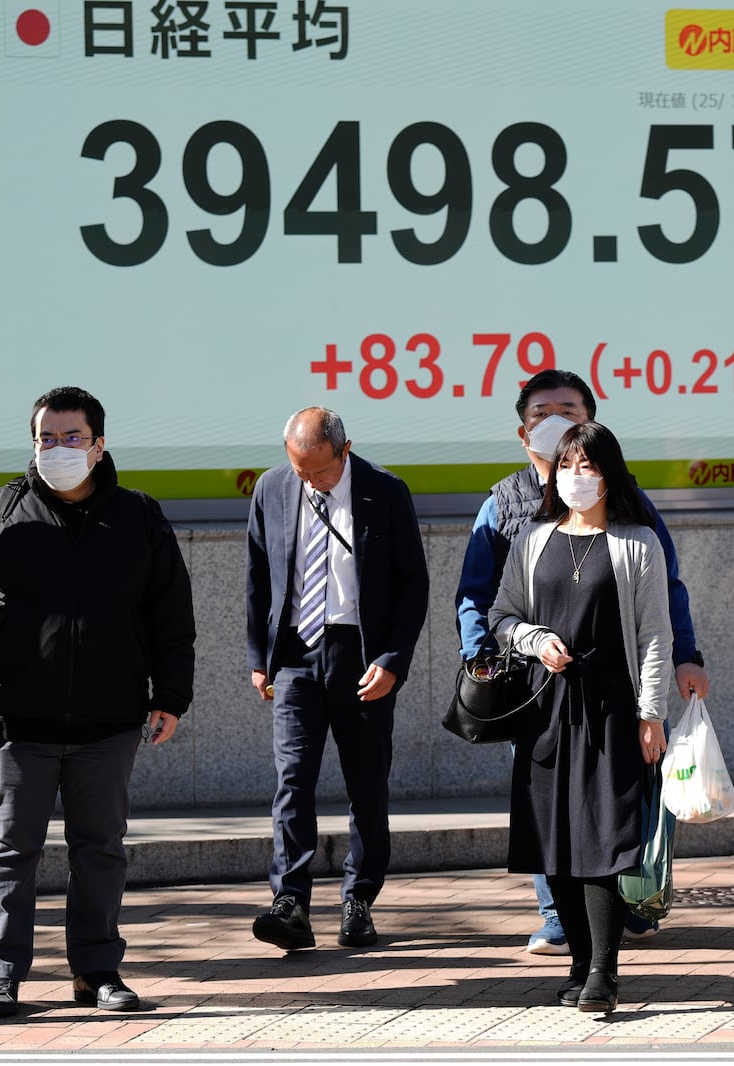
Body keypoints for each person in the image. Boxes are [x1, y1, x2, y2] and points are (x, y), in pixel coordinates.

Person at [0, 386, 195, 1018]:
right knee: (8, 847)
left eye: (71, 437)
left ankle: (98, 972)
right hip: (16, 716)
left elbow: (171, 615)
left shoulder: (138, 516)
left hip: (109, 718)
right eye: (45, 438)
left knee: (100, 848)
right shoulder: (0, 512)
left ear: (99, 445)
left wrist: (171, 696)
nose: (56, 449)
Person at [455, 369, 707, 953]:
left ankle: (632, 895)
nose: (556, 424)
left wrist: (685, 658)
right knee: (549, 803)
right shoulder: (503, 504)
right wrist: (484, 660)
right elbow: (477, 595)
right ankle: (558, 917)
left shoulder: (629, 504)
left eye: (568, 411)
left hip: (619, 686)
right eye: (542, 413)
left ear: (591, 422)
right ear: (523, 433)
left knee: (627, 795)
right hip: (536, 685)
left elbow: (665, 590)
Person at [488, 421, 672, 1013]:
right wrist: (532, 639)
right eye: (566, 466)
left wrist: (652, 713)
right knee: (555, 842)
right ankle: (575, 964)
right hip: (545, 709)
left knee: (604, 838)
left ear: (609, 474)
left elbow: (654, 635)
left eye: (588, 467)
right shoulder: (534, 539)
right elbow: (502, 614)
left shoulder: (637, 541)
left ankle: (603, 971)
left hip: (612, 709)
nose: (575, 477)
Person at [245, 407, 429, 952]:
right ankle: (291, 902)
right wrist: (261, 655)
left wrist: (393, 659)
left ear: (345, 451)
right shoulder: (273, 489)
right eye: (299, 469)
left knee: (366, 784)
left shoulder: (385, 491)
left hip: (360, 653)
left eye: (320, 472)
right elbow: (258, 574)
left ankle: (359, 899)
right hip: (296, 655)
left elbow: (412, 584)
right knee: (292, 780)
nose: (309, 481)